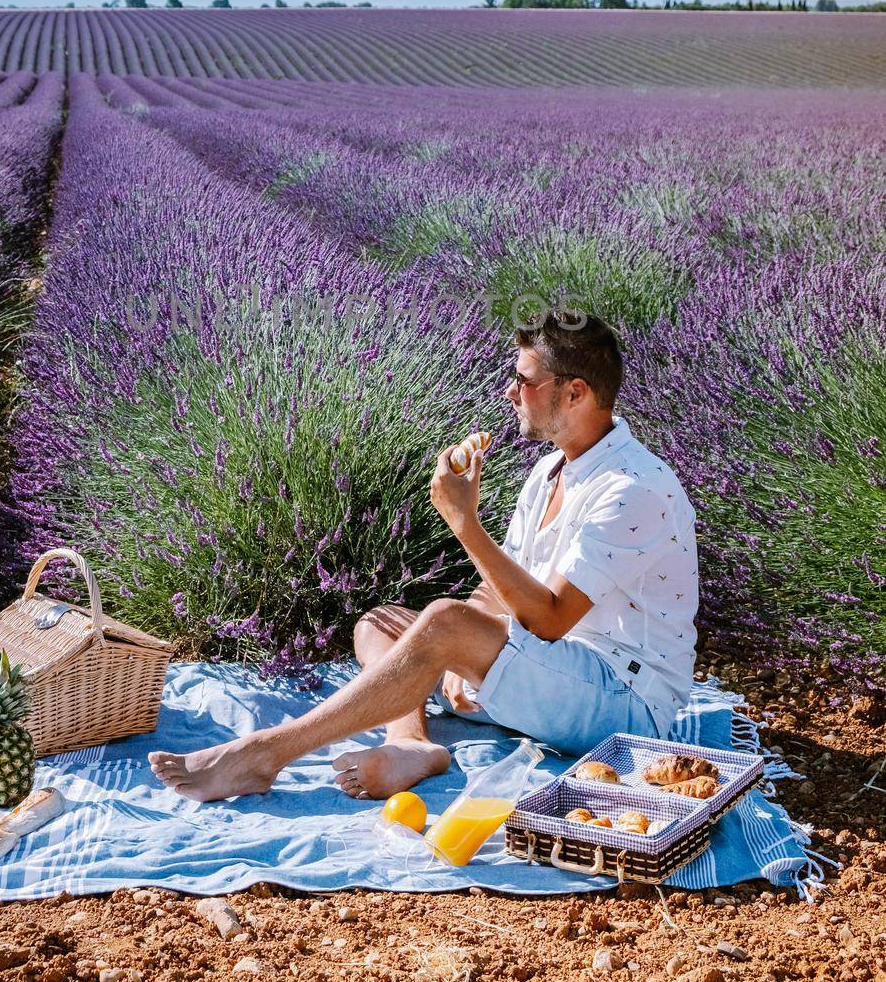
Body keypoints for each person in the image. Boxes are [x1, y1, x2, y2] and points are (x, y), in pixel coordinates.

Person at [149, 311, 699, 802]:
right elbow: (500, 585)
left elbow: (550, 618)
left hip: (625, 702)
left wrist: (463, 523)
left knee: (440, 624)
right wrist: (471, 647)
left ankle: (262, 755)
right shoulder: (552, 468)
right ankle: (412, 743)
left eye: (525, 381)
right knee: (381, 624)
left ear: (575, 393)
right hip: (554, 671)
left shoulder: (633, 488)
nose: (510, 392)